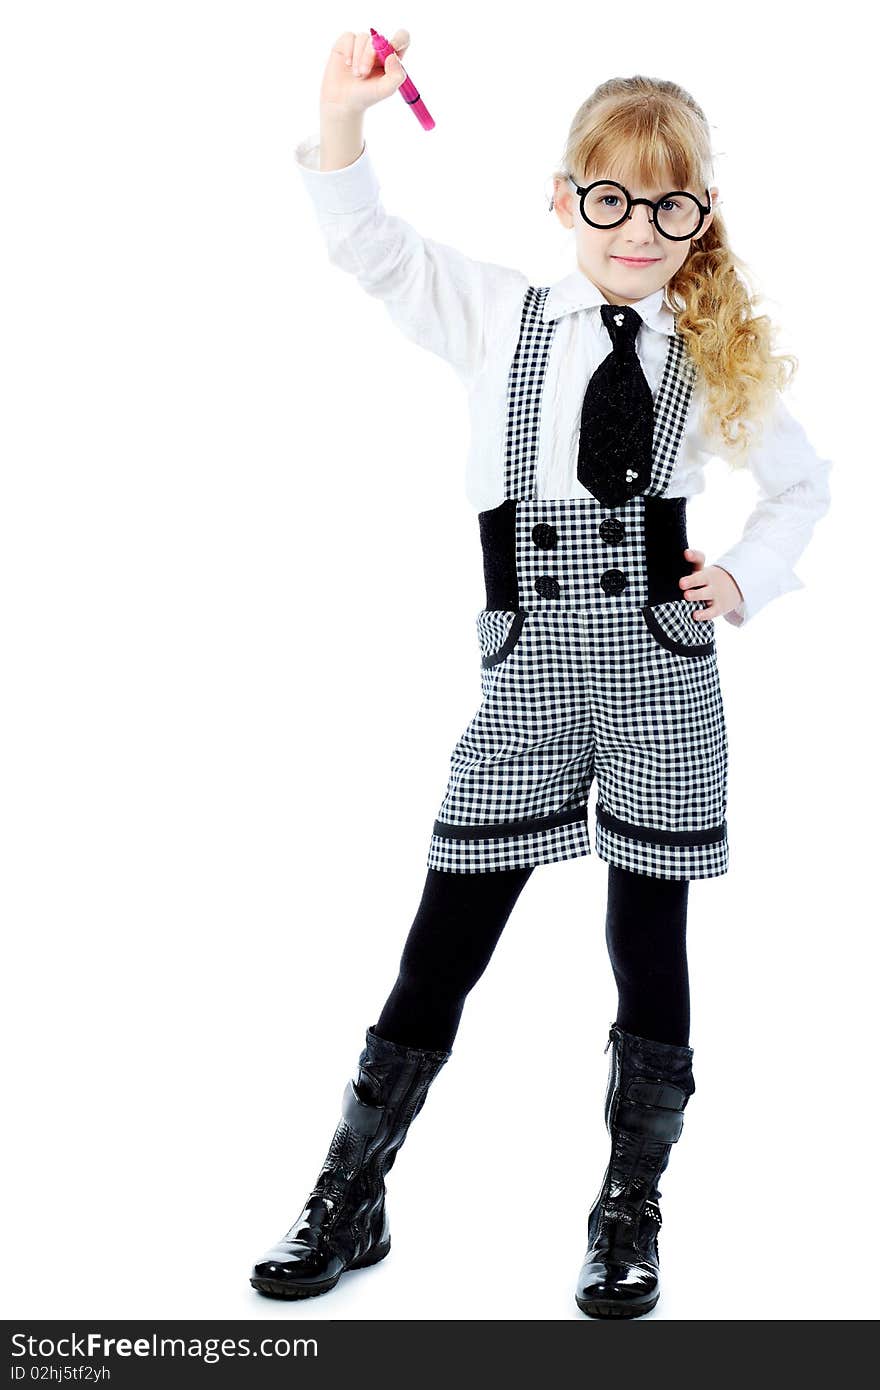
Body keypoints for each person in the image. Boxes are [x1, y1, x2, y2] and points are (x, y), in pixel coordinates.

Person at [250, 29, 832, 1318]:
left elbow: (803, 486)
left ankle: (630, 1206)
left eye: (669, 202)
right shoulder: (501, 316)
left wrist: (743, 578)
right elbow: (369, 248)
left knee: (651, 942)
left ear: (700, 213)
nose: (639, 227)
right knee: (448, 932)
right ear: (568, 198)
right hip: (526, 676)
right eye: (612, 197)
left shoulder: (715, 354)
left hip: (667, 682)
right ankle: (354, 1185)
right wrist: (342, 119)